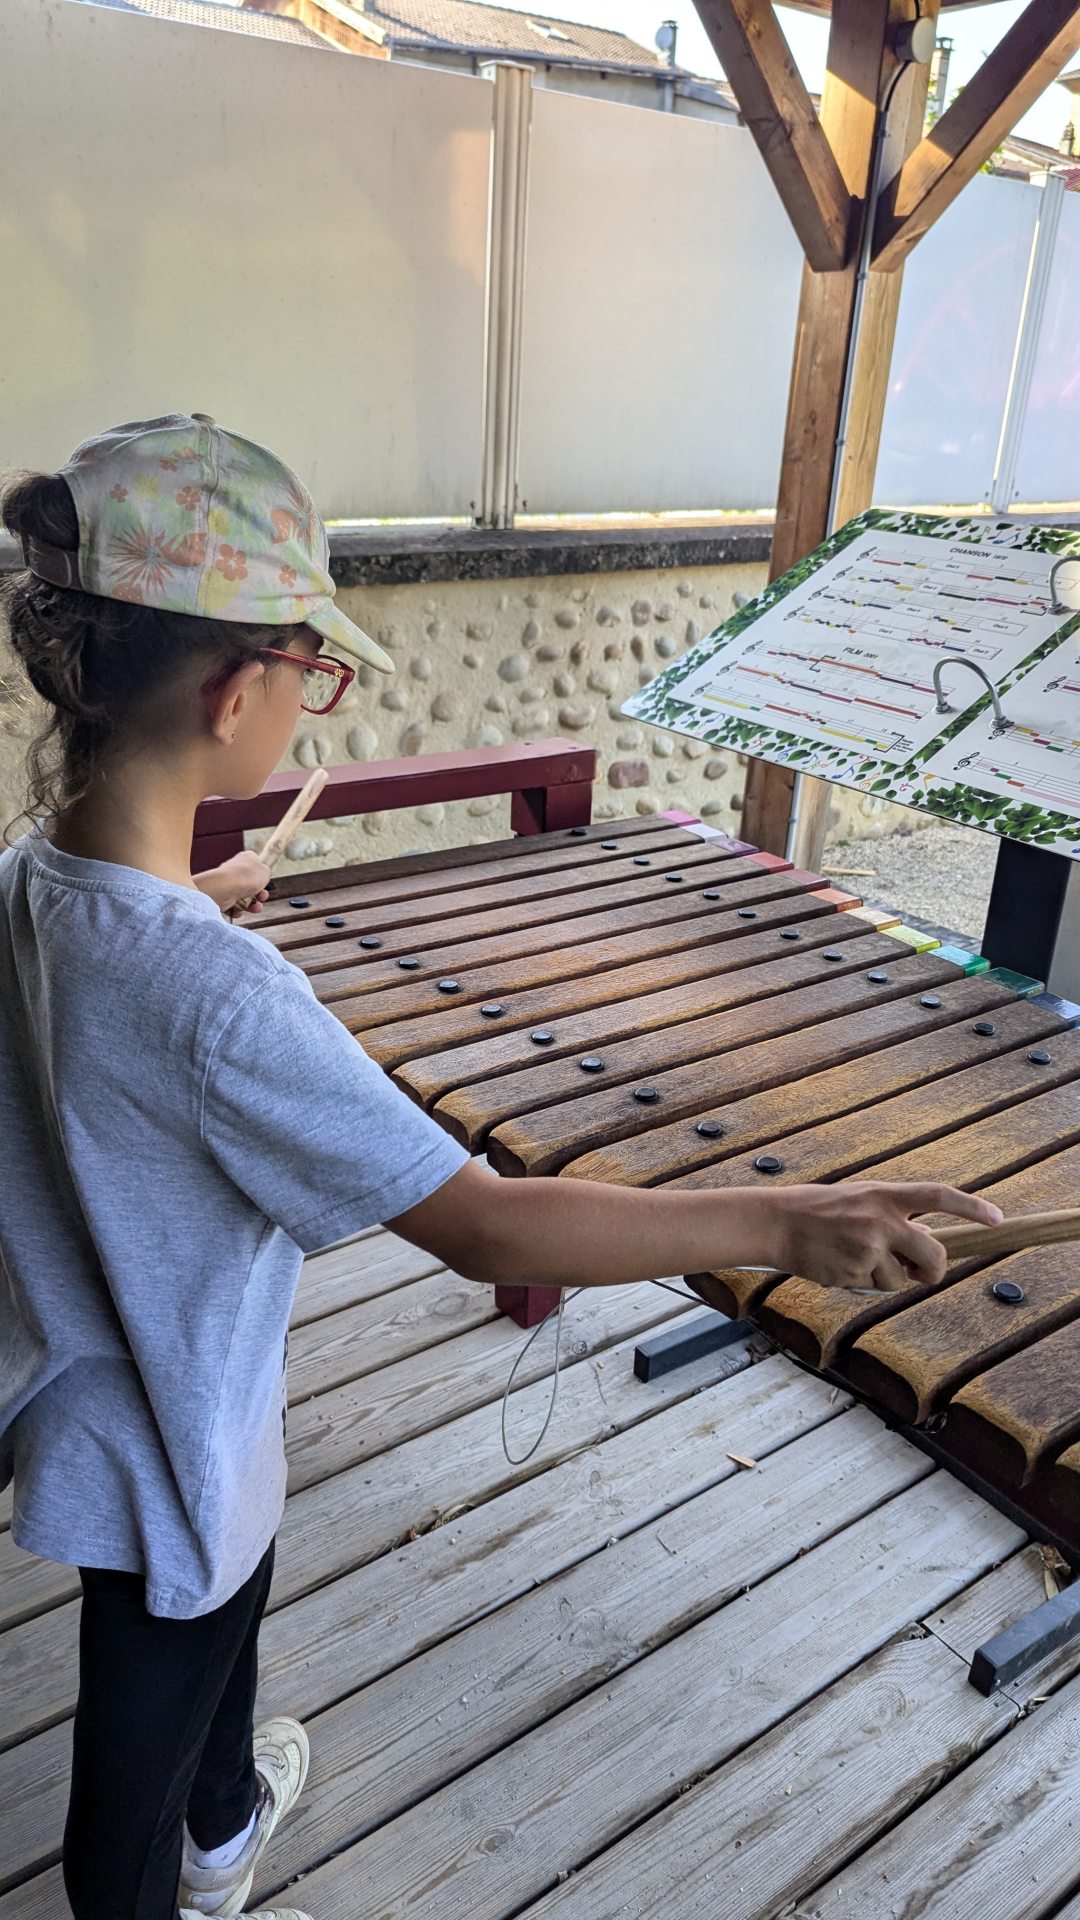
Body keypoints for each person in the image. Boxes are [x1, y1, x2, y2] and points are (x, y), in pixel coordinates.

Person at [0, 414, 1000, 1920]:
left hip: (95, 1384)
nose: (313, 704)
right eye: (310, 672)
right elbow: (486, 1223)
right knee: (140, 1734)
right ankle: (164, 1879)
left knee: (226, 1604)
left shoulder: (35, 882)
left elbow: (110, 955)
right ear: (234, 691)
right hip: (161, 1429)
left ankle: (223, 1823)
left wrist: (203, 896)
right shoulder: (217, 999)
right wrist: (789, 1219)